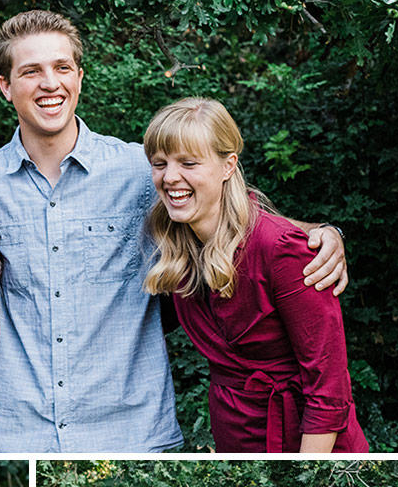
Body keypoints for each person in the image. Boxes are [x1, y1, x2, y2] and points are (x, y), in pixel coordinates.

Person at [0, 11, 347, 453]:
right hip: (15, 433)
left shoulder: (138, 170)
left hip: (132, 433)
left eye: (62, 67)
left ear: (80, 77)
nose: (49, 83)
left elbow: (220, 205)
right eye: (31, 71)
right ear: (5, 86)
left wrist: (317, 232)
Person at [143, 98, 367, 454]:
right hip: (235, 433)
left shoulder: (282, 251)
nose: (170, 177)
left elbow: (329, 392)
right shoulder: (177, 252)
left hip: (308, 442)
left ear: (228, 165)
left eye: (188, 163)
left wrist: (305, 479)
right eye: (159, 164)